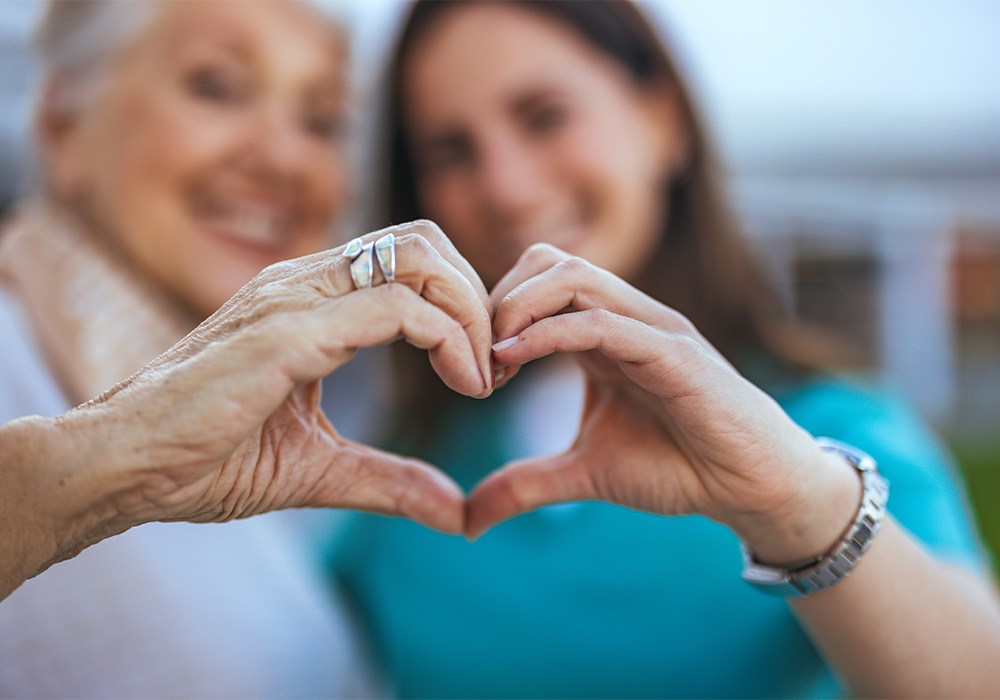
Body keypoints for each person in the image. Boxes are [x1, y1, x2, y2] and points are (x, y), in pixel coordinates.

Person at [332, 1, 1000, 698]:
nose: (505, 186)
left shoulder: (833, 428)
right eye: (451, 151)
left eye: (545, 117)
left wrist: (796, 505)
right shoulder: (392, 468)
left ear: (663, 118)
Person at [0, 1, 486, 696]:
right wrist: (104, 463)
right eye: (217, 87)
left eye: (322, 122)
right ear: (61, 127)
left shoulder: (290, 438)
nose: (284, 158)